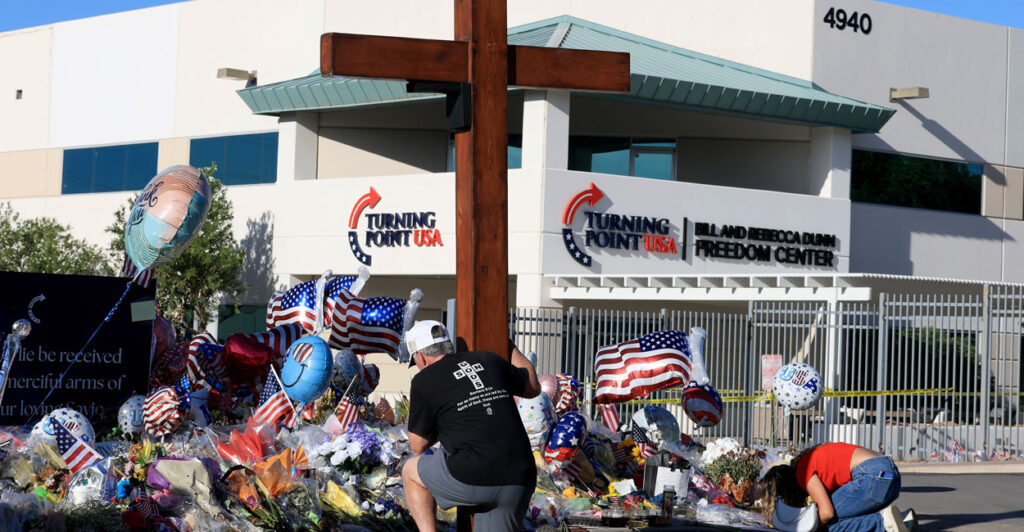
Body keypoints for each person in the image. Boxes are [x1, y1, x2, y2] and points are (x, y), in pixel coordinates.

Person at [400, 320, 541, 532]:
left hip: (474, 476)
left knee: (410, 470)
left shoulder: (424, 379)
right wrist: (508, 345)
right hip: (520, 477)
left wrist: (446, 422)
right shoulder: (489, 359)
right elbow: (532, 385)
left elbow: (417, 445)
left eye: (416, 361)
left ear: (421, 356)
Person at [758, 442, 917, 532]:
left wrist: (806, 528)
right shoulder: (814, 457)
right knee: (842, 517)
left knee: (825, 525)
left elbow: (826, 513)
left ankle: (883, 523)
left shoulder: (802, 471)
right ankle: (903, 519)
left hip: (872, 477)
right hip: (890, 476)